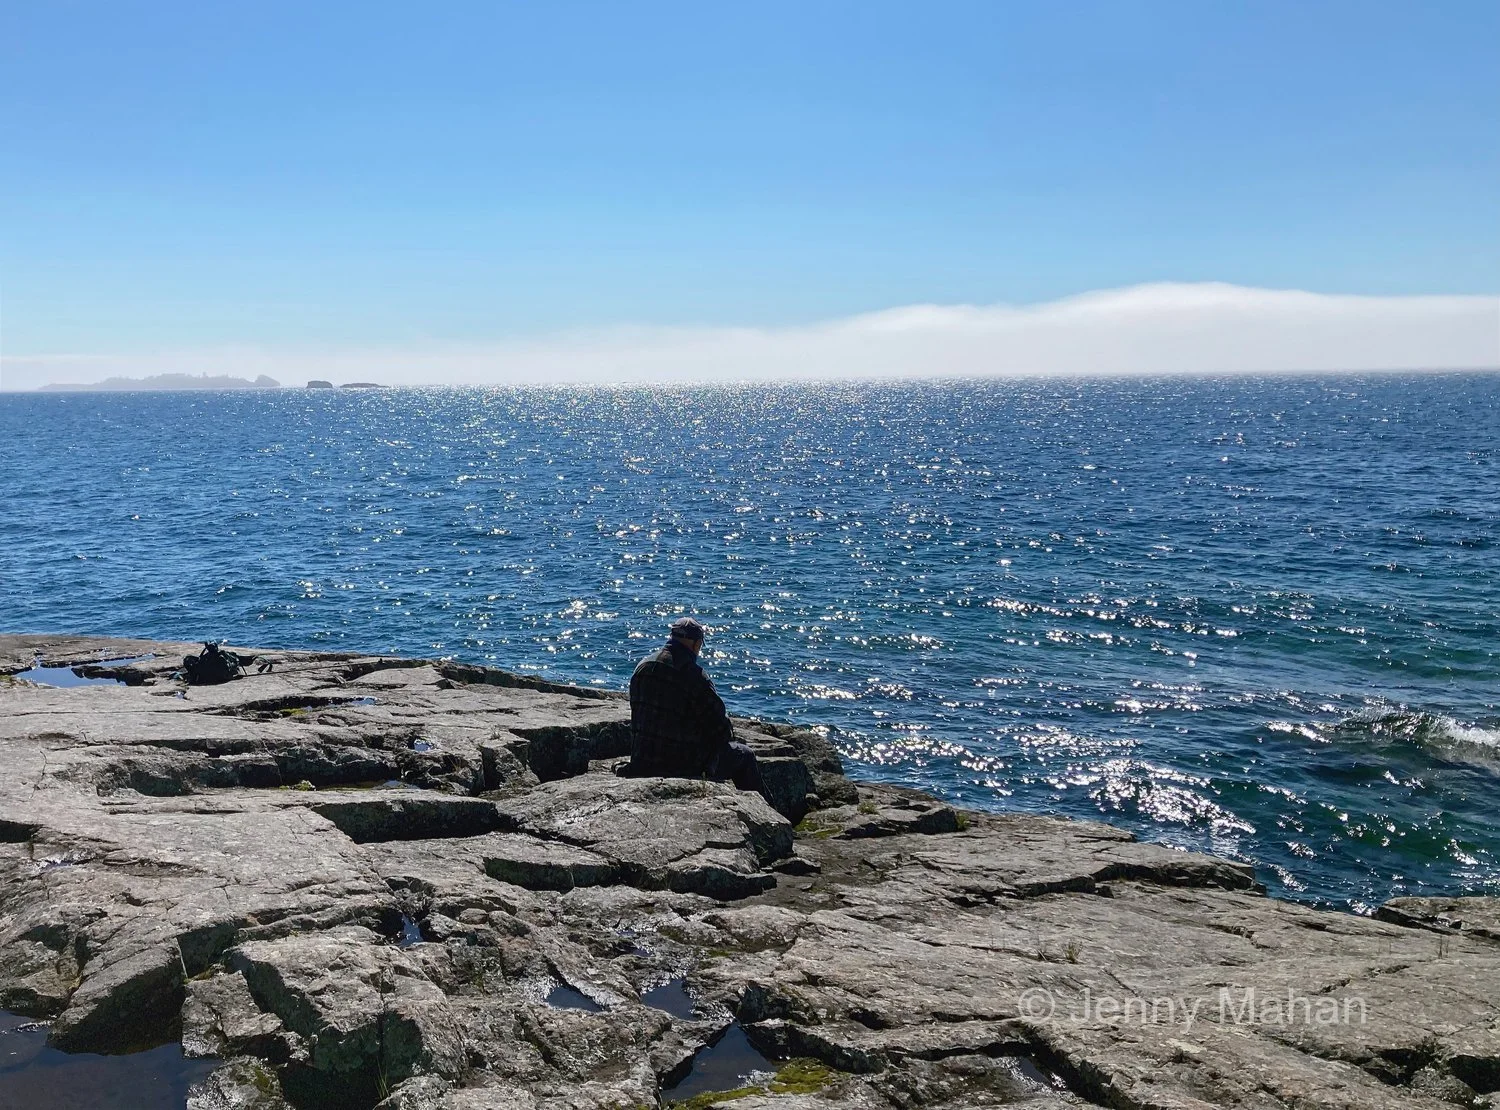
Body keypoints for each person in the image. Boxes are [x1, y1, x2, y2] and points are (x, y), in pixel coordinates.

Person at [627, 617, 763, 793]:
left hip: (641, 759)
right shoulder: (695, 675)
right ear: (696, 644)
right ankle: (762, 808)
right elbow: (721, 729)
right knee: (744, 755)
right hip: (680, 765)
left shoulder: (642, 667)